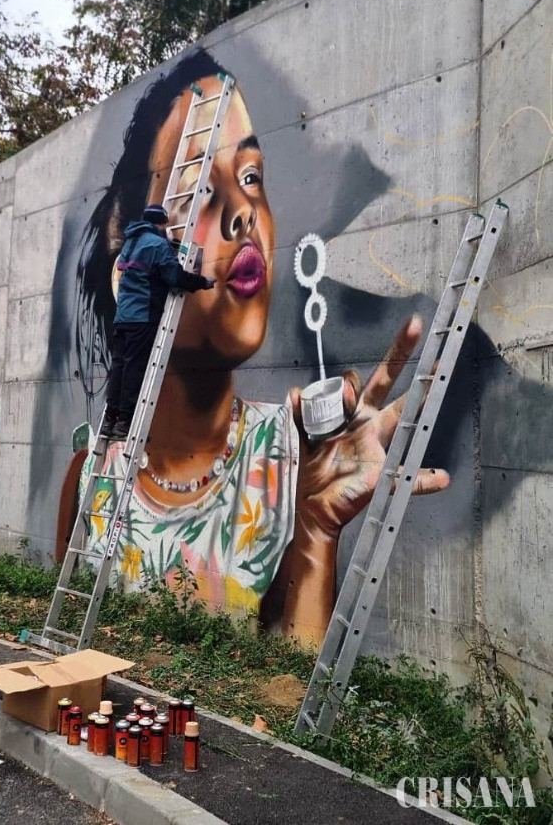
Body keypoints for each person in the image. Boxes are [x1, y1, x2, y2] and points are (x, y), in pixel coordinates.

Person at [56, 52, 450, 647]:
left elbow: (285, 684)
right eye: (195, 193)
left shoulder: (291, 461)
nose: (242, 213)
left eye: (250, 178)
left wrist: (315, 530)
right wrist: (188, 278)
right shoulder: (90, 480)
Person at [99, 203, 215, 441]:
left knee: (119, 367)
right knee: (134, 369)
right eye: (165, 224)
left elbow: (145, 269)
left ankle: (110, 420)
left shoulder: (131, 242)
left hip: (123, 317)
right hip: (142, 316)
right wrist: (202, 282)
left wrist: (167, 248)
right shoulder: (157, 245)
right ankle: (125, 422)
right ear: (160, 223)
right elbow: (175, 277)